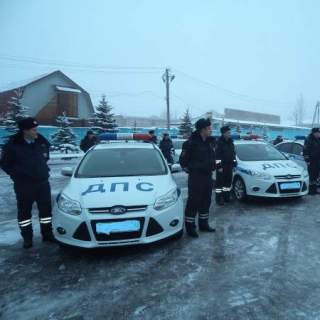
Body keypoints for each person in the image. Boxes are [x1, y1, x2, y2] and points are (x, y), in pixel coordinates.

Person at [0, 117, 55, 248]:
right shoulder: (13, 145)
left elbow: (45, 158)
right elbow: (5, 164)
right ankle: (27, 238)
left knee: (46, 212)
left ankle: (47, 235)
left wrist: (41, 170)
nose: (36, 132)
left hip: (42, 183)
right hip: (24, 185)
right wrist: (17, 175)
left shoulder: (41, 142)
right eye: (33, 129)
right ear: (25, 130)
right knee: (24, 213)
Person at [179, 118, 216, 237]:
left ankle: (203, 224)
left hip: (208, 177)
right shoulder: (190, 143)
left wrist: (215, 165)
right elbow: (183, 162)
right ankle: (190, 227)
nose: (211, 130)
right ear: (202, 129)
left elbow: (214, 158)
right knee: (193, 202)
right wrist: (196, 168)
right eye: (209, 128)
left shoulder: (210, 142)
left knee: (206, 201)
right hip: (196, 178)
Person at [215, 125, 237, 206]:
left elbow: (233, 154)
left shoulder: (231, 142)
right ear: (223, 133)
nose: (229, 134)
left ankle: (226, 197)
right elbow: (217, 156)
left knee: (227, 183)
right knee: (219, 185)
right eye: (228, 132)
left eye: (229, 132)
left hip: (229, 166)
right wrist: (219, 166)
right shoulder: (219, 142)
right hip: (222, 167)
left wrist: (234, 162)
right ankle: (219, 199)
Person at [303, 127, 320, 195]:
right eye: (318, 133)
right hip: (312, 160)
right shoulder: (309, 139)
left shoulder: (318, 139)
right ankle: (310, 190)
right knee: (312, 175)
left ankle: (315, 189)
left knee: (316, 175)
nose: (319, 134)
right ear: (314, 133)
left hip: (318, 160)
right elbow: (305, 150)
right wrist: (307, 160)